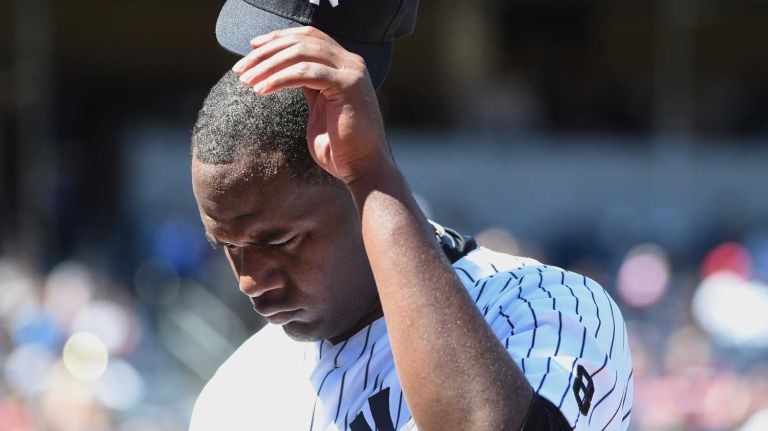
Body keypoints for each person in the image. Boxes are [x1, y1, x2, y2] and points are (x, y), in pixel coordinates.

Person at [189, 3, 633, 431]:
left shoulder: (544, 304)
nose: (249, 281)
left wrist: (370, 172)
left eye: (280, 241)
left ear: (354, 189)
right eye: (229, 247)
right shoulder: (234, 393)